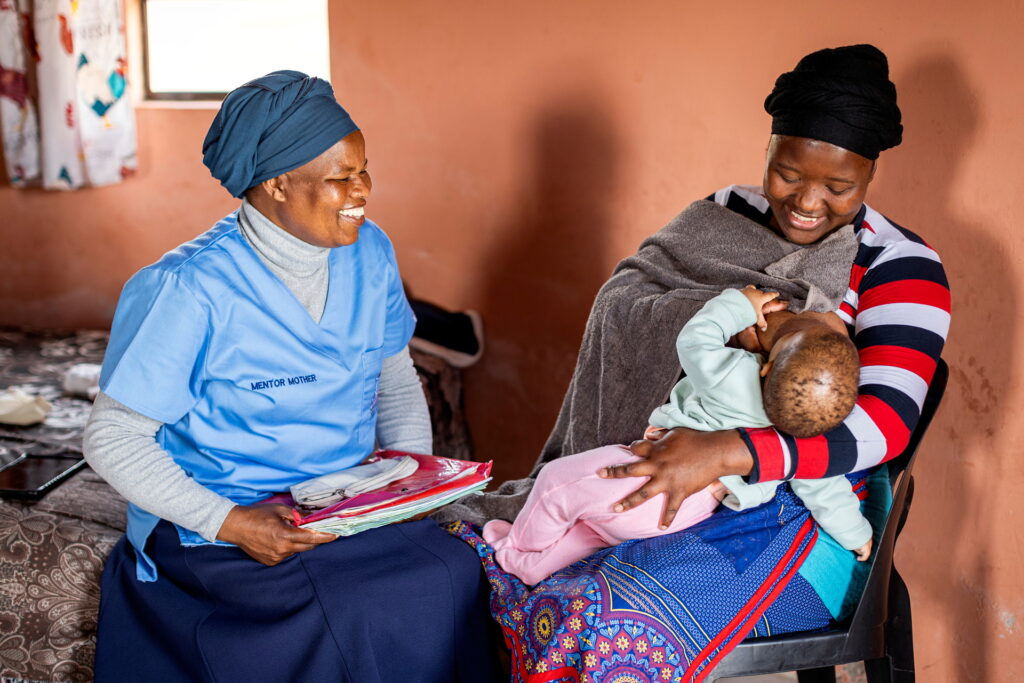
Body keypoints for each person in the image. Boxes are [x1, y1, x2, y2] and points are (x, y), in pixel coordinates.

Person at [439, 43, 951, 677]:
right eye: (789, 173)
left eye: (839, 187)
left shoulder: (902, 266)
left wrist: (728, 451)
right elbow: (626, 298)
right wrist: (729, 321)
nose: (808, 202)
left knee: (599, 619)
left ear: (871, 173)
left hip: (804, 514)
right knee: (499, 580)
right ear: (769, 146)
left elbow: (884, 427)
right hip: (664, 447)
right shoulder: (725, 213)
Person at [84, 71, 497, 682]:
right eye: (340, 178)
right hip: (226, 520)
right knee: (353, 609)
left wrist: (407, 486)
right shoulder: (187, 289)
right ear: (276, 183)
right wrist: (232, 523)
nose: (363, 190)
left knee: (457, 572)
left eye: (364, 169)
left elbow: (395, 378)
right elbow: (111, 437)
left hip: (346, 503)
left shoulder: (371, 252)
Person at [482, 286, 871, 587]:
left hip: (652, 476)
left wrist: (739, 304)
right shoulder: (800, 443)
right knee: (592, 530)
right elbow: (825, 486)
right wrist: (857, 535)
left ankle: (517, 548)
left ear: (766, 369)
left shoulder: (735, 375)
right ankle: (530, 569)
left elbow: (695, 339)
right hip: (689, 511)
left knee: (555, 484)